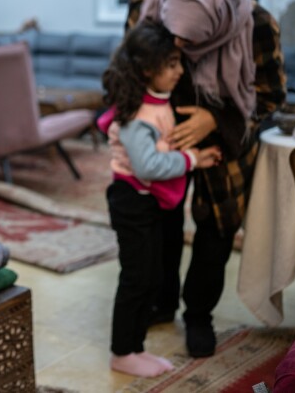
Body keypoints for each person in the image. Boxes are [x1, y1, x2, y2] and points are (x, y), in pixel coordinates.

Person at [129, 0, 286, 358]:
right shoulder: (151, 7)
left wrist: (213, 119)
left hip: (228, 137)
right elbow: (132, 70)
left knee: (215, 226)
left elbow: (270, 97)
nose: (180, 50)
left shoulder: (258, 25)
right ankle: (161, 302)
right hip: (167, 128)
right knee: (160, 219)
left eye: (191, 43)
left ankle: (199, 314)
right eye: (173, 40)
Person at [98, 20, 222, 377]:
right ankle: (122, 352)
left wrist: (197, 151)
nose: (180, 71)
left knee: (151, 276)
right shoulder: (139, 115)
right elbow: (149, 164)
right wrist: (193, 159)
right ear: (147, 70)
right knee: (137, 279)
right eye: (172, 65)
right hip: (131, 202)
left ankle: (135, 347)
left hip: (145, 201)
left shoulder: (157, 100)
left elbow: (162, 144)